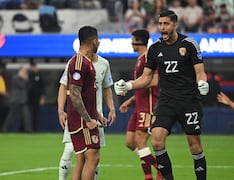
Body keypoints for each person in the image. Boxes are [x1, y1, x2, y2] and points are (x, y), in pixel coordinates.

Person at [114, 10, 209, 180]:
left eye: (166, 24)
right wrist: (128, 85)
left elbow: (200, 72)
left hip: (189, 100)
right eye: (160, 24)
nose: (162, 27)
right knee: (157, 142)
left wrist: (203, 83)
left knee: (195, 147)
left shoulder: (189, 44)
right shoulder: (155, 48)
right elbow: (146, 78)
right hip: (166, 101)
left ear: (175, 25)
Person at [57, 51, 116, 179]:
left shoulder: (103, 64)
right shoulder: (76, 63)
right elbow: (64, 86)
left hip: (94, 117)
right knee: (71, 152)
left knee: (90, 158)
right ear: (94, 41)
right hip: (79, 117)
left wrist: (111, 109)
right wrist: (61, 110)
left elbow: (106, 88)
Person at [119, 29, 162, 180]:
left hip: (149, 105)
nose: (131, 44)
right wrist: (130, 101)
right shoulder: (140, 59)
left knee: (140, 141)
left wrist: (131, 85)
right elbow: (140, 86)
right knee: (130, 142)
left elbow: (156, 80)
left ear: (139, 41)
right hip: (139, 105)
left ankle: (155, 173)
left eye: (133, 41)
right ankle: (158, 168)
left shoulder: (149, 57)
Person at [65, 25, 107, 180]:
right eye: (98, 40)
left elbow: (88, 95)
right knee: (93, 157)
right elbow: (74, 94)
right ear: (94, 41)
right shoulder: (78, 62)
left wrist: (97, 115)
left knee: (82, 160)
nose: (99, 43)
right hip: (82, 122)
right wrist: (89, 120)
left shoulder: (87, 62)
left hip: (86, 118)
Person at [1, 67, 32, 133]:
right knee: (10, 116)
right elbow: (21, 85)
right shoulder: (15, 78)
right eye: (23, 71)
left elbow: (29, 86)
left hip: (23, 100)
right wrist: (25, 79)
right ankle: (4, 129)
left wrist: (26, 79)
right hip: (16, 100)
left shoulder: (25, 79)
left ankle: (28, 130)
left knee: (26, 116)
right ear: (20, 71)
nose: (24, 73)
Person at [28, 61, 45, 132]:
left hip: (37, 98)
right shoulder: (28, 75)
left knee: (35, 114)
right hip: (29, 99)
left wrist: (42, 98)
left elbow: (42, 88)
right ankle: (28, 128)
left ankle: (34, 129)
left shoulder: (39, 76)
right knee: (28, 115)